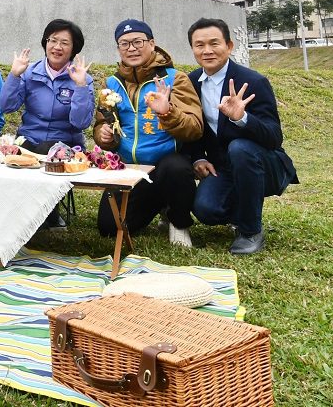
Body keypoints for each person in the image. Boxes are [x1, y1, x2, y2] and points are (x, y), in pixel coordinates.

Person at [182, 17, 298, 255]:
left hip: (262, 162)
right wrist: (197, 158)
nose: (207, 51)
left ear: (229, 46)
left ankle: (250, 230)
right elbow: (192, 128)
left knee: (240, 147)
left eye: (214, 43)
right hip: (223, 168)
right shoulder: (190, 82)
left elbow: (274, 137)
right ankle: (242, 209)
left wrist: (241, 118)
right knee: (206, 210)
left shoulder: (254, 81)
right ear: (192, 49)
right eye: (199, 45)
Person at [92, 19, 202, 247]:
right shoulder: (111, 83)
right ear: (118, 49)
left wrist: (168, 112)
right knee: (108, 228)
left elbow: (194, 128)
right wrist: (103, 135)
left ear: (152, 44)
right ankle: (161, 204)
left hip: (165, 167)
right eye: (124, 44)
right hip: (129, 171)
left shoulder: (175, 78)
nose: (131, 48)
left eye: (138, 42)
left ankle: (178, 221)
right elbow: (103, 122)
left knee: (177, 168)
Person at [0, 18, 94, 227]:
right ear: (45, 43)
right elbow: (7, 106)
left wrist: (79, 86)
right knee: (17, 153)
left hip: (66, 144)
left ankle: (44, 214)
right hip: (29, 139)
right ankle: (25, 213)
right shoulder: (30, 72)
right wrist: (15, 75)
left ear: (74, 49)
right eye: (52, 40)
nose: (57, 47)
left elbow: (81, 122)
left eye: (64, 43)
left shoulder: (82, 78)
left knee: (47, 149)